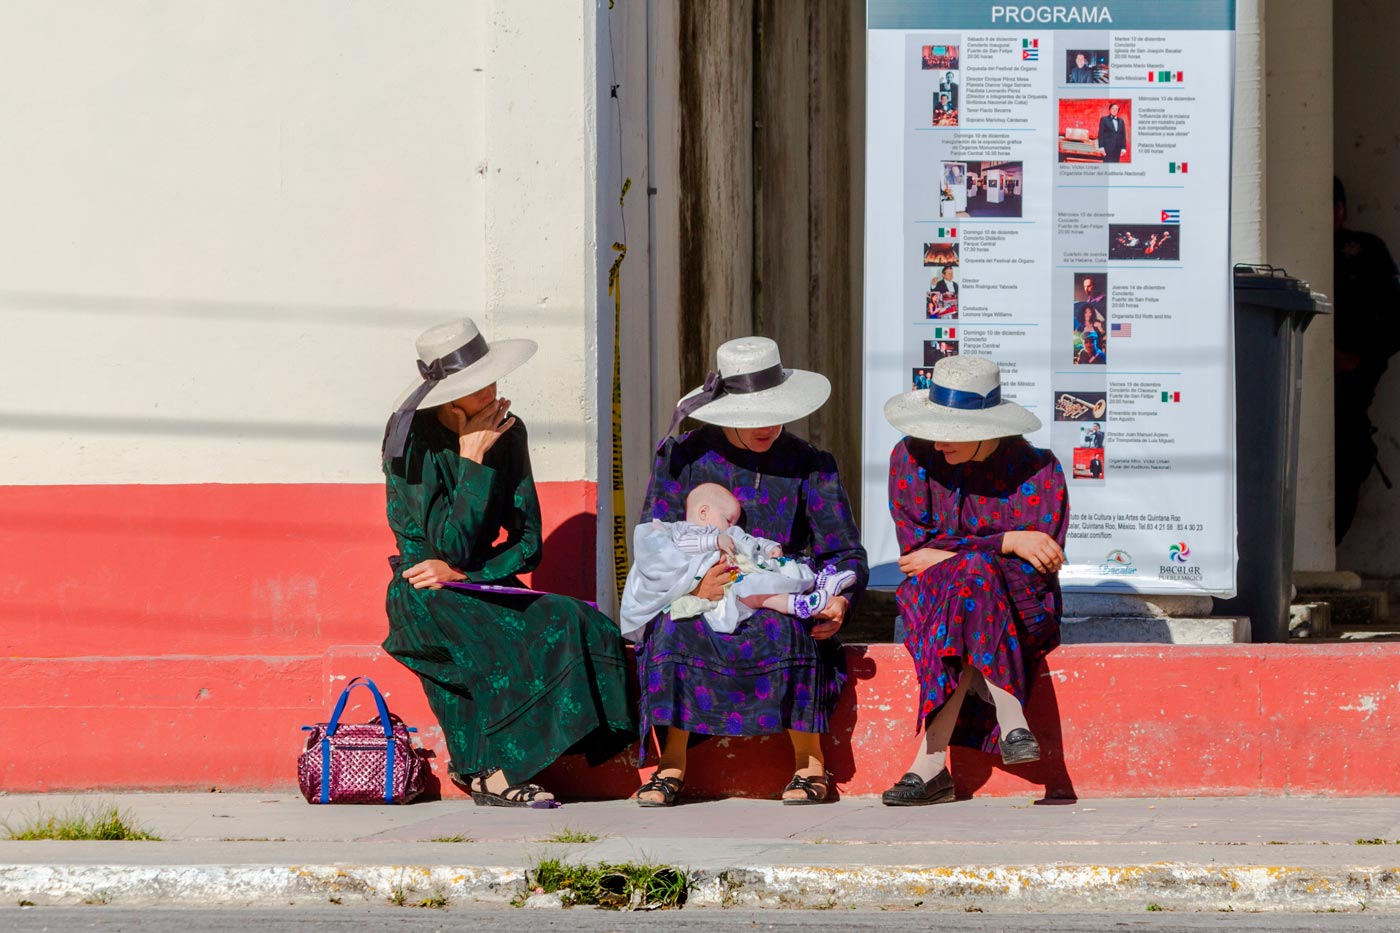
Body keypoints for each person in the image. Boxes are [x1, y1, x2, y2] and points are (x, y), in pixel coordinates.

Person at [380, 318, 637, 807]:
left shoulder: (509, 432)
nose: (492, 388)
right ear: (451, 398)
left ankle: (500, 766)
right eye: (476, 384)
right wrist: (471, 458)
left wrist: (470, 574)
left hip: (476, 579)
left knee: (577, 619)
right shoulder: (408, 442)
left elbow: (527, 542)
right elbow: (445, 545)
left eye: (491, 376)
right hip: (422, 587)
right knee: (505, 632)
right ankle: (494, 772)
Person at [633, 336, 868, 807]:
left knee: (787, 631)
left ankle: (811, 767)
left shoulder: (810, 465)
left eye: (775, 410)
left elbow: (844, 551)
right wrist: (694, 584)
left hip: (777, 591)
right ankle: (671, 765)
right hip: (700, 591)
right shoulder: (682, 459)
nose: (768, 425)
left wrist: (839, 598)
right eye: (753, 415)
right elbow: (652, 540)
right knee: (674, 631)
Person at [879, 356, 1068, 805]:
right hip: (933, 597)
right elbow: (914, 556)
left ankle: (929, 764)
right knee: (971, 579)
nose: (941, 441)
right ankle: (1011, 715)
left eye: (957, 430)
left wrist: (963, 553)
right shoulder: (910, 456)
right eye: (937, 426)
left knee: (971, 578)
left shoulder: (1038, 468)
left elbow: (1039, 565)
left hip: (1020, 605)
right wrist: (1007, 541)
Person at [619, 483, 857, 638]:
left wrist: (769, 546)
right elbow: (677, 547)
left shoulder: (811, 463)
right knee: (754, 592)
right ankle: (800, 602)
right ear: (703, 513)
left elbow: (751, 541)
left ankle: (820, 582)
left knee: (778, 572)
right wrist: (713, 545)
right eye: (729, 520)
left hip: (751, 583)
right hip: (722, 596)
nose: (733, 527)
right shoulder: (685, 528)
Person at [1334, 176, 1400, 541]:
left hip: (1349, 385)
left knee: (1348, 456)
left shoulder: (1365, 250)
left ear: (1341, 210)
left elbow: (1395, 320)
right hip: (1292, 383)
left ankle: (1327, 546)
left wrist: (1358, 359)